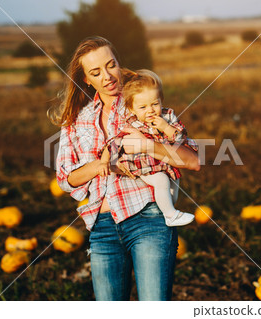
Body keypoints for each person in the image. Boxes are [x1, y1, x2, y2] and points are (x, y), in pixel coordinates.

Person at [48, 36, 200, 301]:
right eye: (96, 72)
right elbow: (64, 179)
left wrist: (147, 146)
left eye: (111, 65)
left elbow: (192, 160)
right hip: (103, 228)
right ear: (86, 79)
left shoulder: (144, 105)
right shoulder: (76, 121)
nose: (107, 76)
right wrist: (99, 165)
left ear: (119, 64)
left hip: (149, 220)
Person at [101, 69, 195, 227]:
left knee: (173, 190)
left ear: (161, 101)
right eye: (143, 107)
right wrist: (108, 163)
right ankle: (170, 216)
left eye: (155, 104)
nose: (150, 110)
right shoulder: (132, 124)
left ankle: (166, 209)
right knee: (161, 180)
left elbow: (181, 138)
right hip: (143, 165)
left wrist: (166, 128)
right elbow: (113, 143)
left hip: (166, 163)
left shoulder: (167, 117)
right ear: (132, 109)